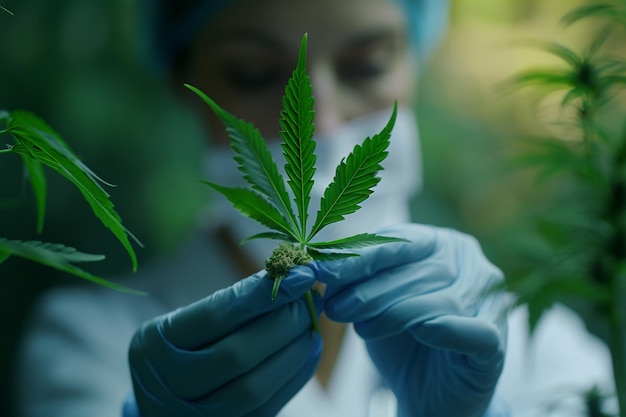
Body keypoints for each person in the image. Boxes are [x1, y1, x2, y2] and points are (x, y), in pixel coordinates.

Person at [15, 0, 615, 416]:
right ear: (184, 85)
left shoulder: (540, 349)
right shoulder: (90, 342)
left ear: (414, 65)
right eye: (254, 73)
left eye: (366, 67)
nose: (320, 121)